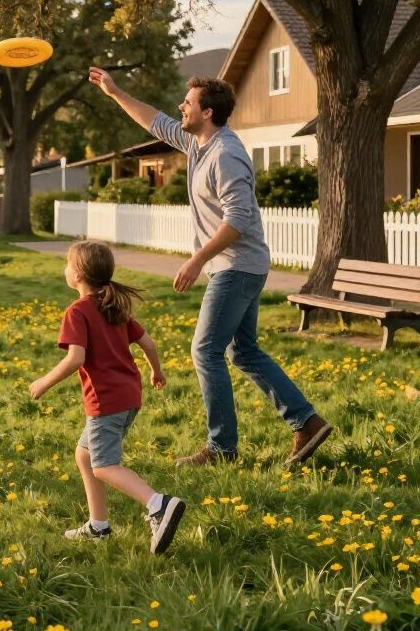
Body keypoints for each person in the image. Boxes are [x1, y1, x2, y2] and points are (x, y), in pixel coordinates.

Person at [89, 68, 332, 466]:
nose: (180, 107)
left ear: (207, 112)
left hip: (237, 266)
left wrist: (197, 258)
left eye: (188, 103)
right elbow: (154, 120)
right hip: (237, 266)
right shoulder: (197, 142)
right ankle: (307, 422)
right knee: (244, 352)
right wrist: (115, 93)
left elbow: (238, 218)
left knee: (205, 350)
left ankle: (222, 448)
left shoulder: (226, 154)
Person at [30, 239, 186, 554]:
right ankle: (98, 526)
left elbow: (75, 358)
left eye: (68, 263)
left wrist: (43, 382)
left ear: (78, 275)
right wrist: (156, 372)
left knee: (103, 465)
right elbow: (149, 343)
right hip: (129, 395)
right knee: (84, 455)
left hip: (106, 401)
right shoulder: (112, 305)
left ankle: (158, 504)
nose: (65, 269)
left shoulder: (77, 311)